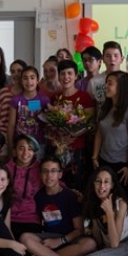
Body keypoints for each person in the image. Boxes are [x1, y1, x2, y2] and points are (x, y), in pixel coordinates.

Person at [19, 156, 97, 256]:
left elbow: (79, 229)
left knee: (90, 244)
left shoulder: (70, 196)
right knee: (25, 238)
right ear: (40, 174)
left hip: (69, 238)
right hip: (48, 238)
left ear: (60, 175)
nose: (49, 175)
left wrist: (60, 241)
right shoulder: (38, 196)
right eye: (45, 171)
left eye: (53, 171)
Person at [48, 59, 95, 191]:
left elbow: (89, 123)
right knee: (58, 184)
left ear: (76, 76)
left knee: (77, 185)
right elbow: (50, 124)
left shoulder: (84, 97)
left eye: (69, 73)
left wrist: (74, 134)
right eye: (62, 74)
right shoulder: (55, 99)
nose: (66, 77)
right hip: (58, 149)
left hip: (78, 149)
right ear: (58, 76)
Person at [92, 71, 128, 199]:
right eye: (106, 83)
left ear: (121, 87)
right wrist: (95, 157)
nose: (106, 86)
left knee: (121, 200)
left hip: (122, 165)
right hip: (104, 161)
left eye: (110, 83)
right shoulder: (105, 107)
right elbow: (99, 133)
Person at [5, 134, 44, 238]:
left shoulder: (41, 169)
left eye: (30, 149)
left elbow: (54, 183)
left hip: (32, 219)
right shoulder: (6, 169)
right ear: (15, 151)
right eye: (21, 148)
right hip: (8, 217)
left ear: (34, 151)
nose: (25, 153)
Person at [7, 66, 50, 158]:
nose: (29, 81)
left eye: (32, 78)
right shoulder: (16, 100)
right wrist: (10, 146)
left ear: (37, 80)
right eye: (25, 78)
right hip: (20, 144)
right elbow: (11, 125)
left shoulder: (44, 100)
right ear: (21, 81)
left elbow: (48, 123)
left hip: (39, 144)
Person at [0, 59, 27, 138]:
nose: (16, 74)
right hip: (3, 134)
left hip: (24, 135)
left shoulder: (30, 93)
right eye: (13, 71)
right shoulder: (4, 92)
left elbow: (35, 110)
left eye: (19, 71)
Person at [89, 41, 124, 110]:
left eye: (116, 56)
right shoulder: (94, 82)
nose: (112, 59)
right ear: (103, 59)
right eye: (108, 56)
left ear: (122, 59)